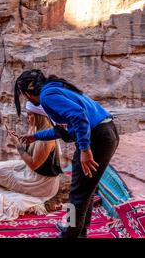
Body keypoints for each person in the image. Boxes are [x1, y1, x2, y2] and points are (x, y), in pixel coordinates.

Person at [14, 69, 119, 238]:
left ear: (27, 93)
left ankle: (70, 234)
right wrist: (35, 136)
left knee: (77, 193)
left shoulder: (47, 96)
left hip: (97, 138)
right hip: (105, 133)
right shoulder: (54, 90)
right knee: (85, 189)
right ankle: (78, 232)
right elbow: (64, 130)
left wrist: (85, 150)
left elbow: (79, 116)